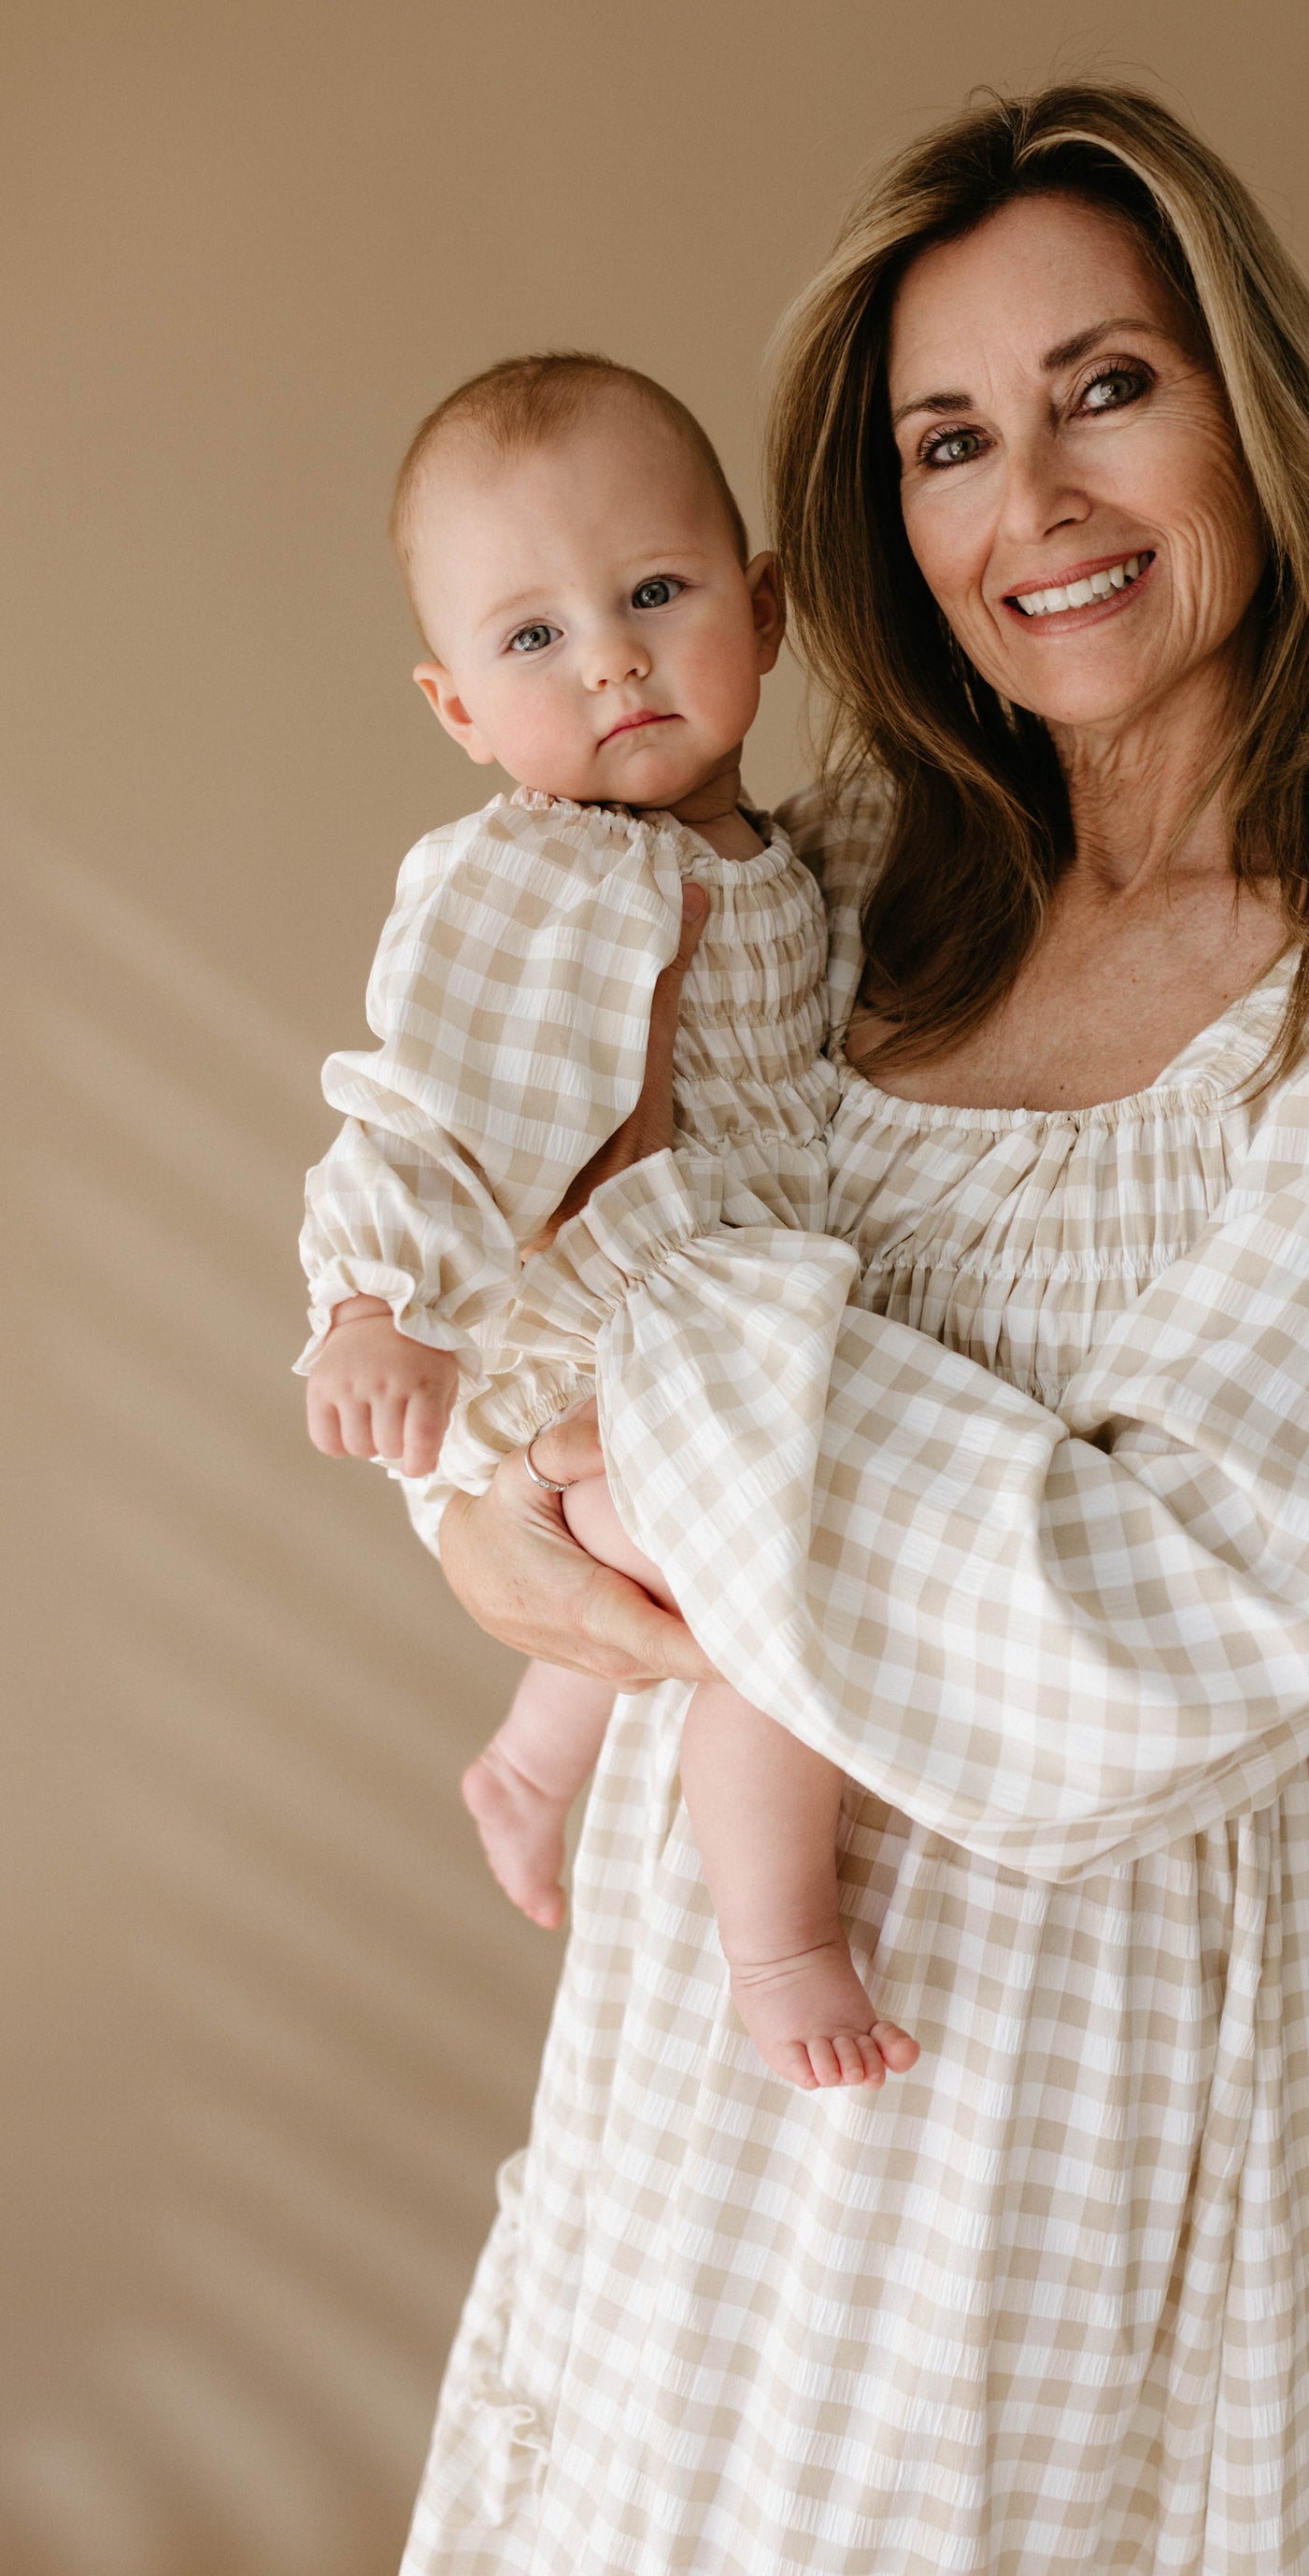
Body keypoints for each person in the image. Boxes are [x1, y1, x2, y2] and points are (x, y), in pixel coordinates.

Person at [401, 85, 1309, 2575]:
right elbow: (514, 1206)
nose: (1031, 506)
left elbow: (1161, 1631)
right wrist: (485, 1515)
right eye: (949, 439)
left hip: (1017, 2039)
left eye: (1108, 387)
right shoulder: (841, 878)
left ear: (1253, 410)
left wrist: (651, 1406)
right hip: (691, 1976)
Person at [298, 351, 918, 2088]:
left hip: (715, 1329)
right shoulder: (540, 874)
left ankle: (533, 1753)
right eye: (533, 638)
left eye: (654, 593)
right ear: (458, 712)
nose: (612, 657)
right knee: (772, 1584)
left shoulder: (771, 858)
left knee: (720, 1554)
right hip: (608, 1329)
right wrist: (376, 1307)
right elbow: (429, 1100)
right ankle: (781, 1942)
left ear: (764, 606)